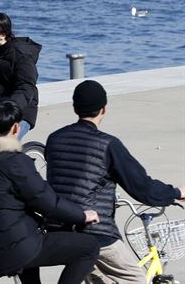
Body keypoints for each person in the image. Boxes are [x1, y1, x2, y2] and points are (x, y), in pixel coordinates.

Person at [45, 80, 185, 284]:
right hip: (94, 231)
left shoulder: (54, 138)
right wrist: (175, 193)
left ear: (74, 108)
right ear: (103, 109)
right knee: (135, 278)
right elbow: (142, 188)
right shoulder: (107, 144)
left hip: (60, 228)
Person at [0, 99, 100, 284]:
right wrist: (82, 216)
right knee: (88, 248)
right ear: (15, 128)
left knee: (29, 242)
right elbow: (46, 202)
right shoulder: (12, 160)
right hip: (12, 248)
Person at [0, 12, 41, 139]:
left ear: (3, 34)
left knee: (4, 145)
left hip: (20, 110)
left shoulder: (20, 54)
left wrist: (9, 109)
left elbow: (26, 87)